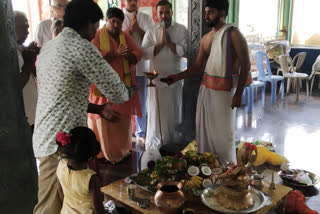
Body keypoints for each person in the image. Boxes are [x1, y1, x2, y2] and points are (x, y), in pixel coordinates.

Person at [32, 1, 131, 213]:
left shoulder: (51, 46)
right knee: (50, 207)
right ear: (86, 24)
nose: (96, 33)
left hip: (47, 136)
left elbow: (62, 95)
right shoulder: (82, 47)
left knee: (68, 204)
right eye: (96, 26)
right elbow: (117, 92)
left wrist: (97, 109)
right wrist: (127, 91)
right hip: (57, 143)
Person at [161, 0, 252, 164]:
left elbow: (246, 65)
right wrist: (176, 77)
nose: (206, 16)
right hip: (206, 91)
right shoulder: (206, 39)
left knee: (224, 135)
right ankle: (209, 168)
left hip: (225, 94)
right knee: (205, 134)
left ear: (222, 13)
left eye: (210, 12)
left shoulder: (233, 34)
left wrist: (239, 94)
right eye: (205, 12)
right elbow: (196, 67)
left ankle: (226, 168)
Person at [89, 7, 142, 163]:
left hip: (122, 86)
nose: (116, 25)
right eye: (113, 21)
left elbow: (138, 52)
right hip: (103, 88)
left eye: (119, 22)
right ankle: (105, 153)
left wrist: (129, 55)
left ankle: (122, 150)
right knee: (105, 120)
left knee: (122, 120)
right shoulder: (97, 36)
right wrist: (115, 54)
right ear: (106, 21)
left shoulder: (125, 36)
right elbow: (94, 58)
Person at [141, 0, 188, 150]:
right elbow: (144, 54)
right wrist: (160, 43)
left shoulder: (181, 29)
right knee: (156, 113)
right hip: (156, 82)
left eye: (167, 12)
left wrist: (169, 43)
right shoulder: (151, 31)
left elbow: (185, 51)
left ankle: (172, 144)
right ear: (156, 14)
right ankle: (157, 143)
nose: (164, 16)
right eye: (161, 13)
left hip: (174, 79)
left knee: (174, 111)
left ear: (172, 12)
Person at [122, 0, 155, 145]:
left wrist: (138, 30)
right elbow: (115, 40)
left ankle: (141, 133)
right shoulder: (119, 17)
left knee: (141, 102)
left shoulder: (146, 18)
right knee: (124, 100)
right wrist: (130, 31)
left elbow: (152, 41)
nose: (133, 2)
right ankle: (126, 132)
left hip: (142, 67)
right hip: (124, 67)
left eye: (135, 0)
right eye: (130, 0)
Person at [56, 127, 105, 214]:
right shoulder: (91, 179)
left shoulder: (61, 165)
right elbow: (97, 207)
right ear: (91, 156)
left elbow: (61, 193)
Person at [14, 11, 39, 130]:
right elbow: (15, 86)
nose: (27, 32)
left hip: (33, 115)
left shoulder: (21, 49)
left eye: (27, 27)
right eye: (22, 28)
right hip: (23, 120)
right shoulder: (9, 53)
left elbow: (35, 75)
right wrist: (29, 62)